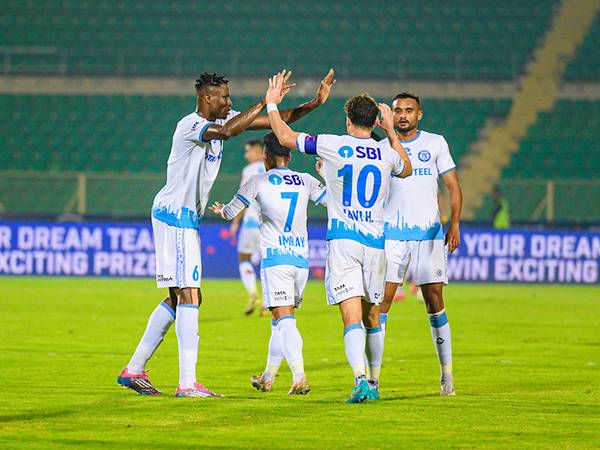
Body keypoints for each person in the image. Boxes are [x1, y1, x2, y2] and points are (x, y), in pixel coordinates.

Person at [117, 69, 336, 397]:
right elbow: (227, 131)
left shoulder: (227, 118)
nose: (230, 102)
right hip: (175, 216)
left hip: (184, 218)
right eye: (224, 97)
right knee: (190, 295)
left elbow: (277, 121)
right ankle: (187, 384)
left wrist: (312, 103)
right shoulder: (191, 125)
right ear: (207, 98)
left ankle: (134, 369)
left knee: (182, 297)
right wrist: (265, 100)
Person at [264, 73, 412, 403]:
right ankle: (373, 384)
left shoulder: (333, 144)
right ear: (375, 119)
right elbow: (406, 168)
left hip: (344, 242)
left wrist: (272, 103)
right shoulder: (386, 152)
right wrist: (390, 131)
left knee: (351, 317)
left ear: (348, 120)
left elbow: (286, 137)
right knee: (373, 316)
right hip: (376, 243)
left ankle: (360, 379)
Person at [210, 132, 326, 395]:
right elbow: (332, 199)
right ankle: (268, 377)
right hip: (300, 261)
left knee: (285, 320)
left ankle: (299, 377)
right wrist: (326, 174)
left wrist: (221, 211)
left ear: (265, 157)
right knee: (278, 319)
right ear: (290, 155)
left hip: (276, 260)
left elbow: (230, 212)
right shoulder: (306, 180)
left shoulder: (258, 180)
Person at [380, 92, 463, 396]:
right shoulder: (382, 146)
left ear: (419, 115)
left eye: (409, 110)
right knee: (380, 304)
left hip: (428, 234)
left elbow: (452, 185)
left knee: (435, 302)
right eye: (398, 110)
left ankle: (447, 376)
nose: (403, 115)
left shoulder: (436, 143)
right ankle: (372, 379)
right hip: (391, 235)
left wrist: (453, 223)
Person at [229, 139, 266, 315]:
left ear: (258, 152)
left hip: (250, 223)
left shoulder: (249, 171)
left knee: (244, 258)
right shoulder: (271, 167)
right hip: (268, 225)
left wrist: (235, 223)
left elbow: (242, 199)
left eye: (248, 151)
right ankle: (268, 302)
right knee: (268, 262)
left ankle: (253, 294)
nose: (246, 155)